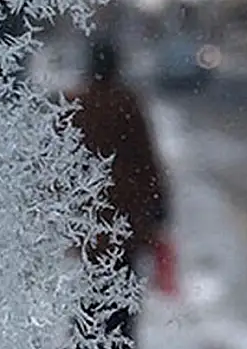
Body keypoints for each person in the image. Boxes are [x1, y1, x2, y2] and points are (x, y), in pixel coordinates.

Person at [62, 37, 170, 349]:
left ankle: (87, 342)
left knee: (91, 298)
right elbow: (146, 161)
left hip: (90, 223)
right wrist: (159, 207)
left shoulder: (76, 105)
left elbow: (60, 165)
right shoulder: (127, 103)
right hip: (126, 223)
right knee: (122, 303)